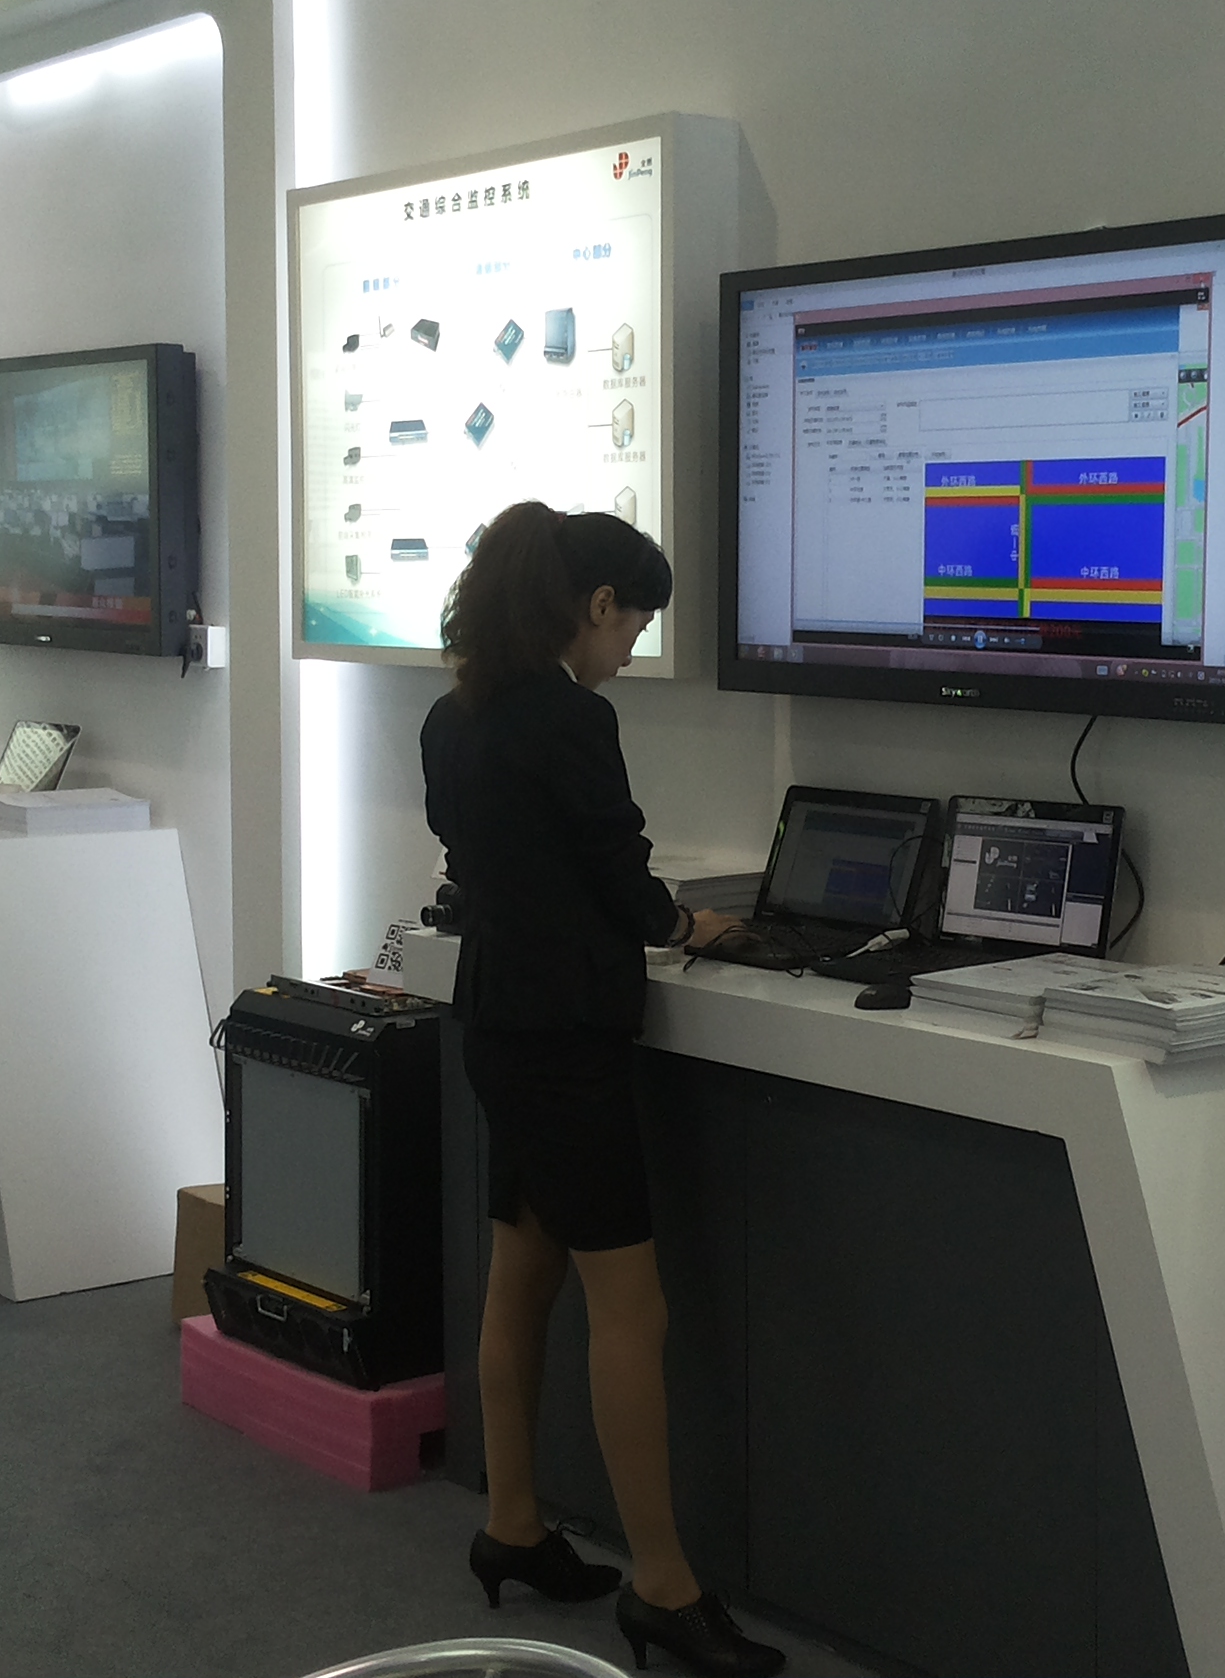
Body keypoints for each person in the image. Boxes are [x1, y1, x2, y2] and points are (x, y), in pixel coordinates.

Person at [421, 502, 781, 1678]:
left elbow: (478, 860)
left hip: (496, 1022)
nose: (630, 650)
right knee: (634, 1310)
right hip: (568, 1043)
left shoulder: (452, 715)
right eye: (632, 627)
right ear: (595, 605)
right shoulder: (572, 719)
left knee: (522, 1275)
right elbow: (621, 880)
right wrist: (687, 927)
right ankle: (665, 1590)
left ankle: (513, 1523)